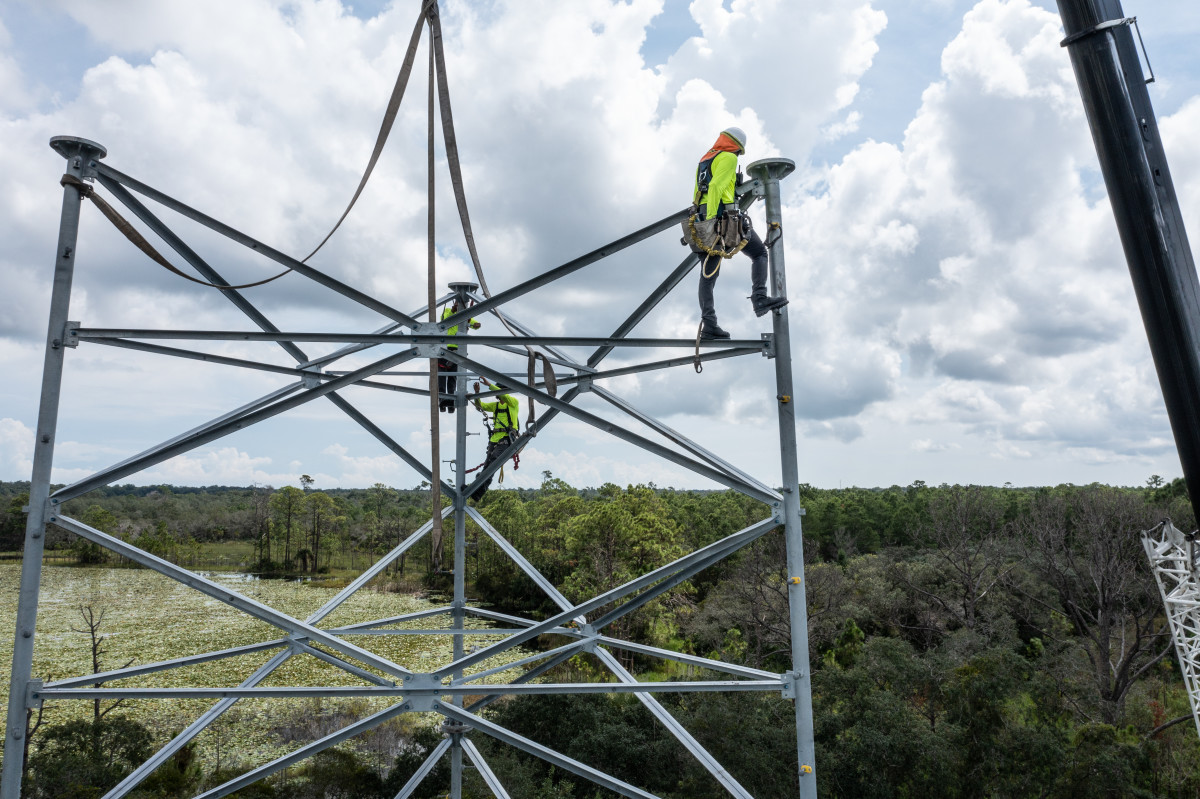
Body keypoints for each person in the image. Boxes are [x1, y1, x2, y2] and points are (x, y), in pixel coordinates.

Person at [690, 126, 788, 339]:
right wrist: (712, 222)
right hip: (722, 219)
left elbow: (701, 191)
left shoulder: (705, 160)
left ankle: (709, 324)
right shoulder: (728, 157)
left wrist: (703, 221)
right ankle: (759, 298)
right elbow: (716, 187)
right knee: (759, 253)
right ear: (736, 146)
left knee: (708, 275)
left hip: (701, 216)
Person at [469, 381, 520, 501]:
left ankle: (477, 489)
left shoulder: (513, 403)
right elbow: (480, 406)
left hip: (507, 439)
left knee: (493, 462)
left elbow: (504, 396)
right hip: (494, 439)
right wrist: (477, 394)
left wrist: (489, 385)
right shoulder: (495, 406)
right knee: (488, 465)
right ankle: (477, 492)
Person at [438, 300, 480, 412]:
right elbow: (445, 319)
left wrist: (476, 325)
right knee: (441, 377)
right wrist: (453, 310)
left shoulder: (465, 316)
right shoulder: (447, 311)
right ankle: (442, 400)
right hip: (444, 349)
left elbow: (473, 323)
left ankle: (451, 402)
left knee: (453, 377)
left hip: (457, 351)